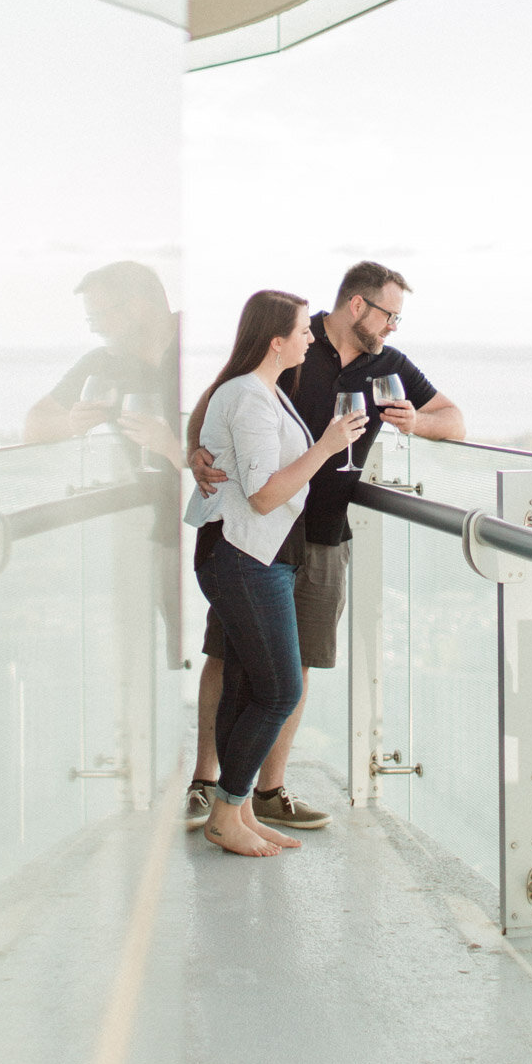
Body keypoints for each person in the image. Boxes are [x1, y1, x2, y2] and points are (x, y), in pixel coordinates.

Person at [185, 261, 465, 830]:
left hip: (324, 535)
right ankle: (206, 781)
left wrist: (417, 423)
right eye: (390, 315)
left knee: (299, 664)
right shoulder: (293, 339)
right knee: (226, 654)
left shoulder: (390, 365)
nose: (394, 328)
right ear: (358, 306)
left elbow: (454, 421)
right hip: (256, 534)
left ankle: (268, 790)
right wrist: (197, 451)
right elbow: (218, 401)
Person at [184, 289, 368, 857]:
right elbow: (264, 496)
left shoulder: (263, 391)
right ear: (277, 341)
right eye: (303, 331)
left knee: (247, 685)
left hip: (261, 557)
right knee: (282, 690)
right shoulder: (247, 396)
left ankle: (232, 815)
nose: (311, 337)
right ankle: (227, 812)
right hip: (242, 556)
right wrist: (330, 446)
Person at [24, 261, 182, 468]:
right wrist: (71, 423)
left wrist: (169, 448)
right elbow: (34, 427)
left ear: (137, 307)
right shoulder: (102, 363)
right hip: (143, 500)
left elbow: (231, 471)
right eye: (91, 319)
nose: (94, 329)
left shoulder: (207, 349)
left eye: (98, 316)